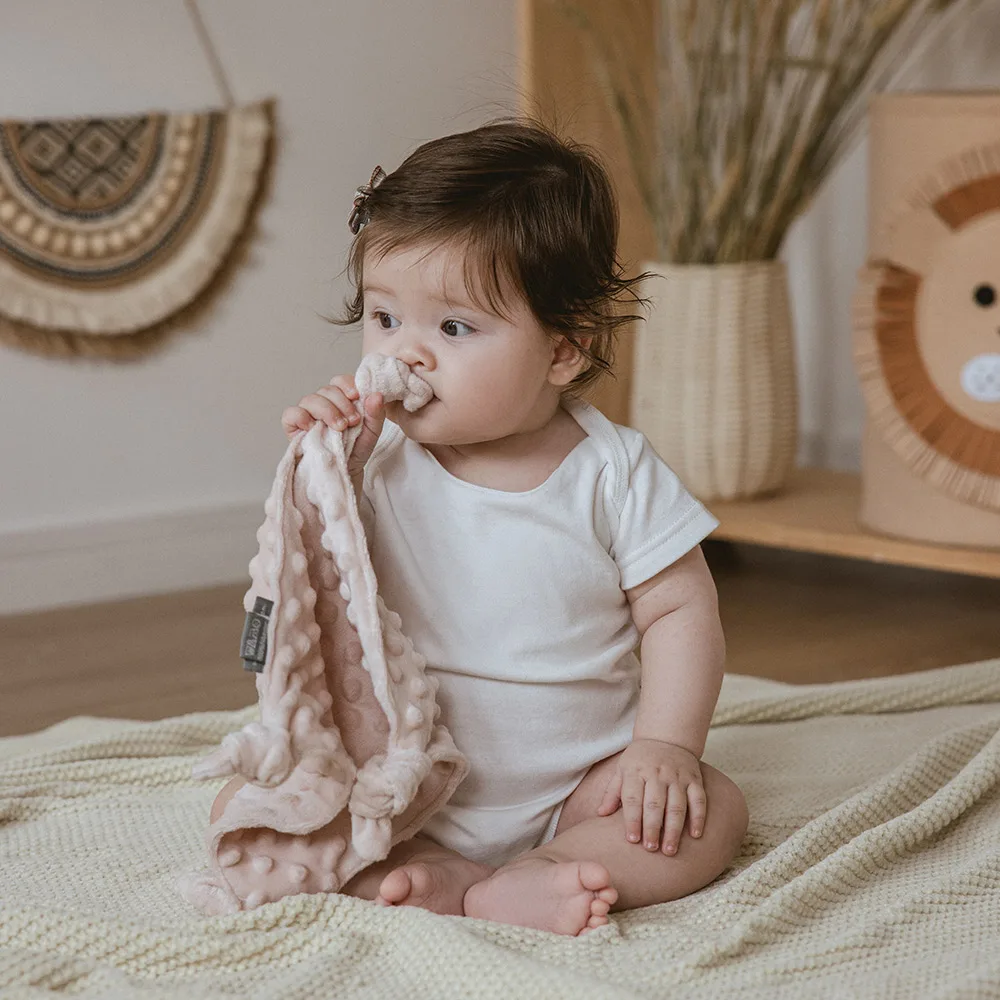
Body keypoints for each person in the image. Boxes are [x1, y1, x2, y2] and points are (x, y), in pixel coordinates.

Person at [278, 119, 748, 936]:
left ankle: (544, 869)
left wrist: (664, 748)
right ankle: (444, 870)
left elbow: (680, 612)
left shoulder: (613, 473)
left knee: (711, 812)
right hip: (409, 775)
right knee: (274, 808)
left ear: (564, 350)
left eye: (452, 329)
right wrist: (325, 467)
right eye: (385, 319)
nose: (407, 355)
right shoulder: (375, 457)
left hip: (578, 788)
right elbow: (315, 575)